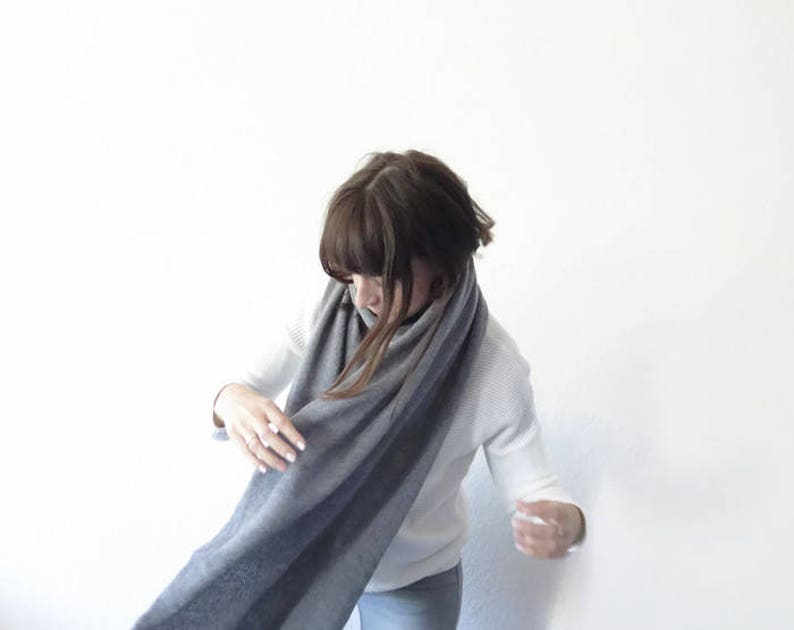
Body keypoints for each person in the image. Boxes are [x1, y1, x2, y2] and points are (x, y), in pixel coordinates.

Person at [210, 149, 586, 629]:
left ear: (442, 263)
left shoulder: (490, 365)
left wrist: (568, 525)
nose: (362, 295)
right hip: (300, 559)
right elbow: (233, 392)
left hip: (411, 583)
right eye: (352, 274)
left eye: (383, 277)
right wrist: (232, 400)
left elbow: (535, 488)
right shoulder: (328, 307)